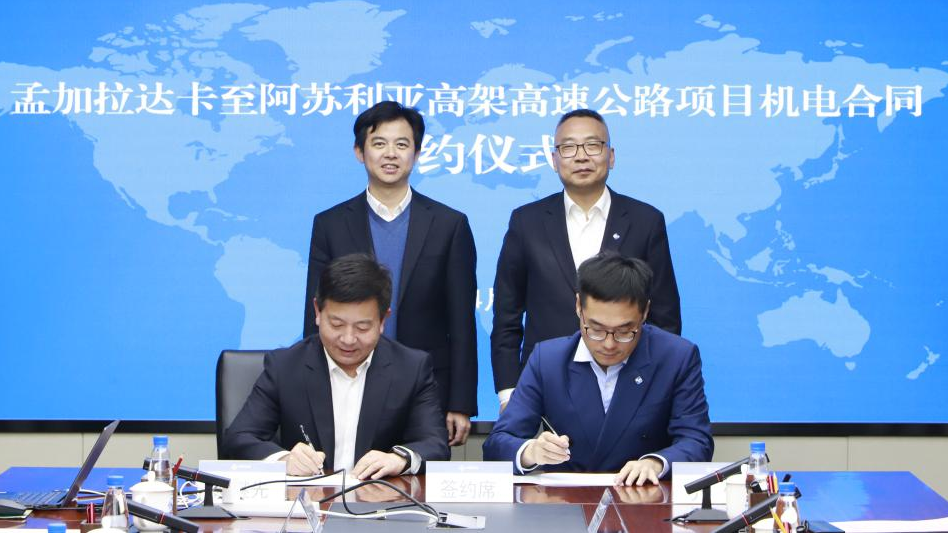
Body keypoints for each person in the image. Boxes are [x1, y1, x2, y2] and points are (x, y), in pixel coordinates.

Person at [303, 101, 478, 446]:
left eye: (402, 144)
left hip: (426, 388)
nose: (391, 154)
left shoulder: (449, 225)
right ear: (359, 152)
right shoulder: (330, 224)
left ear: (417, 153)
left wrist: (460, 403)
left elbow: (462, 321)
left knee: (418, 473)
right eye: (379, 143)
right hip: (346, 381)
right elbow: (316, 315)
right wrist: (311, 391)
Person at [490, 108, 682, 406]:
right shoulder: (527, 221)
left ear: (611, 156)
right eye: (568, 147)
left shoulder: (645, 221)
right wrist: (508, 391)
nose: (581, 156)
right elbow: (507, 315)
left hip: (628, 384)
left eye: (593, 145)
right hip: (544, 385)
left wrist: (657, 387)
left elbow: (664, 315)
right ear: (554, 160)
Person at [483, 254, 712, 483]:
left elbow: (696, 441)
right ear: (578, 307)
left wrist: (656, 463)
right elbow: (497, 443)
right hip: (567, 498)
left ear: (644, 312)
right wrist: (530, 452)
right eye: (596, 329)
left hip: (645, 495)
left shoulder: (676, 357)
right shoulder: (548, 360)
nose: (609, 344)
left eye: (625, 331)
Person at [226, 254, 449, 478]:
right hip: (307, 497)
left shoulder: (411, 368)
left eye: (362, 327)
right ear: (317, 311)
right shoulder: (285, 366)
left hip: (379, 497)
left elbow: (436, 444)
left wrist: (399, 459)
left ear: (383, 320)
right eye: (336, 324)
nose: (348, 339)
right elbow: (239, 437)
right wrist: (284, 460)